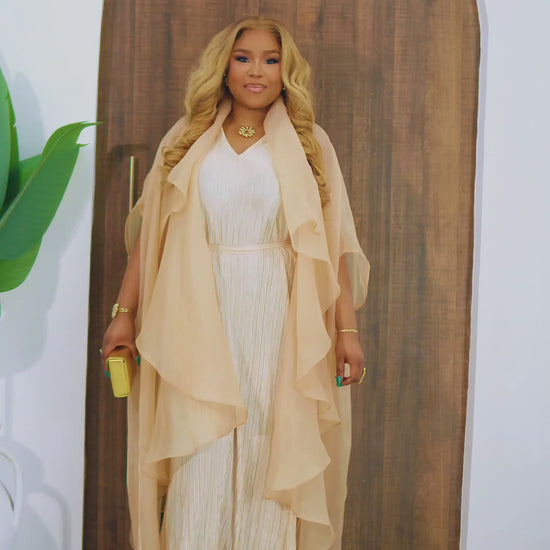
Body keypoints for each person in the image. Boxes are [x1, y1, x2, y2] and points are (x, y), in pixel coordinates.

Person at [101, 16, 370, 550]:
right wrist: (123, 314)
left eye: (271, 60)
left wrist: (347, 332)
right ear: (224, 67)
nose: (256, 71)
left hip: (278, 311)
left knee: (271, 442)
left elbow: (330, 243)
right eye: (243, 58)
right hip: (198, 307)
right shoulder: (188, 138)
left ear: (285, 72)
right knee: (201, 442)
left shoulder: (309, 144)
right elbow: (152, 238)